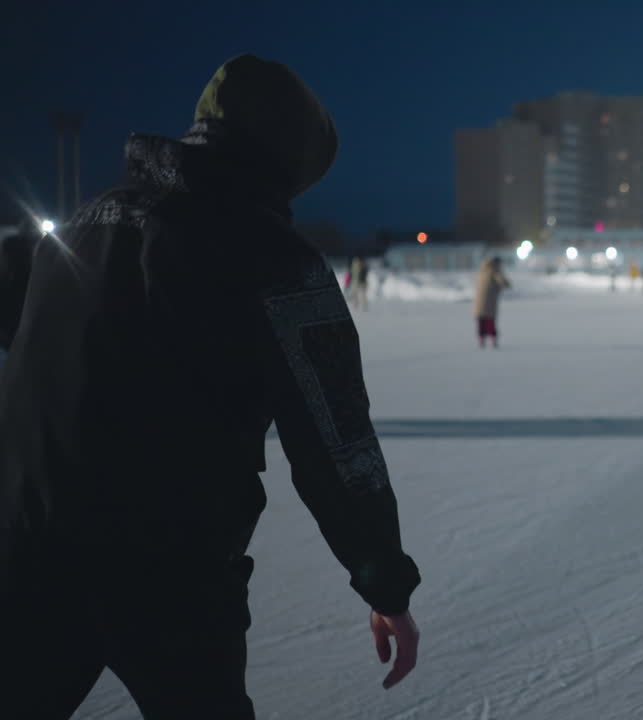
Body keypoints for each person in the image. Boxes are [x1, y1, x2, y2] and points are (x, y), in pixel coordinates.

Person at [0, 55, 421, 718]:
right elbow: (337, 442)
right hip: (170, 574)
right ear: (290, 156)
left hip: (27, 552)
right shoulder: (273, 255)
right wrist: (385, 584)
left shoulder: (88, 220)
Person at [474, 256, 511, 348]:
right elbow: (503, 282)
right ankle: (493, 341)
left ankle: (481, 340)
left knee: (481, 322)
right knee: (490, 321)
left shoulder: (482, 271)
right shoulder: (494, 271)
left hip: (479, 302)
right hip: (489, 301)